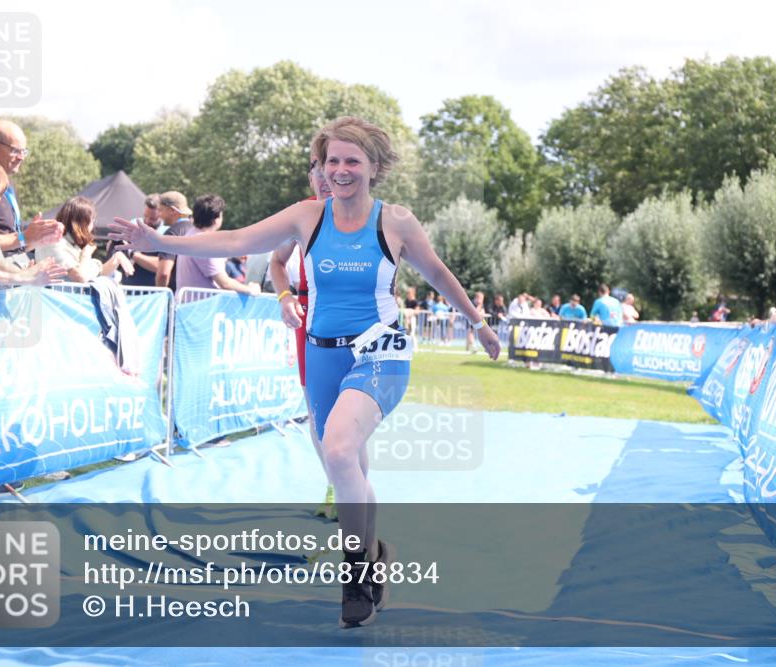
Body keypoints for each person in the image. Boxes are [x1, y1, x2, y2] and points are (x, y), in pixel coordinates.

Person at [110, 116, 501, 629]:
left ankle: (356, 574)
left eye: (352, 161)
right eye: (332, 160)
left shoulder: (396, 222)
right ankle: (376, 553)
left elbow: (438, 274)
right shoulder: (306, 217)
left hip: (379, 353)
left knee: (338, 449)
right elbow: (236, 241)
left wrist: (478, 323)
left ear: (374, 167)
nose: (340, 170)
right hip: (321, 355)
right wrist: (161, 242)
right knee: (347, 467)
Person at [269, 155, 336, 519]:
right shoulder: (300, 214)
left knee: (351, 412)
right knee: (318, 412)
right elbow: (276, 262)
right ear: (311, 178)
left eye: (331, 172)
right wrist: (285, 297)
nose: (325, 179)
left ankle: (352, 489)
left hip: (355, 318)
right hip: (310, 316)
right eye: (318, 173)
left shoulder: (365, 213)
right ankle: (335, 486)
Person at [0, 119, 63, 268]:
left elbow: (13, 246)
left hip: (14, 274)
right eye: (15, 150)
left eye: (23, 151)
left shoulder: (8, 187)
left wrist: (37, 238)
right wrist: (23, 236)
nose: (21, 157)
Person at [35, 196, 134, 283]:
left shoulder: (71, 245)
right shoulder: (53, 242)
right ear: (83, 222)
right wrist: (86, 255)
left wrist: (117, 257)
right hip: (54, 298)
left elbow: (100, 273)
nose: (93, 226)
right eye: (92, 220)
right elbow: (80, 277)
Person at [174, 195, 260, 295]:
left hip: (188, 302)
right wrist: (250, 289)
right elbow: (225, 283)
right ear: (216, 219)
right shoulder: (206, 244)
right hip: (203, 303)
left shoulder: (190, 235)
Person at [105, 194, 165, 287]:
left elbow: (161, 266)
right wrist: (114, 245)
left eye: (153, 219)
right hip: (129, 285)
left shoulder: (167, 232)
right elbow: (113, 249)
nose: (148, 221)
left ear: (162, 214)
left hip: (152, 289)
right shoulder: (134, 224)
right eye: (146, 216)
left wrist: (133, 254)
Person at [155, 191, 193, 290]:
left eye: (161, 210)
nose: (159, 215)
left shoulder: (172, 233)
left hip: (174, 294)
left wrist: (160, 294)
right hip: (192, 293)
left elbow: (163, 273)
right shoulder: (194, 229)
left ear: (172, 210)